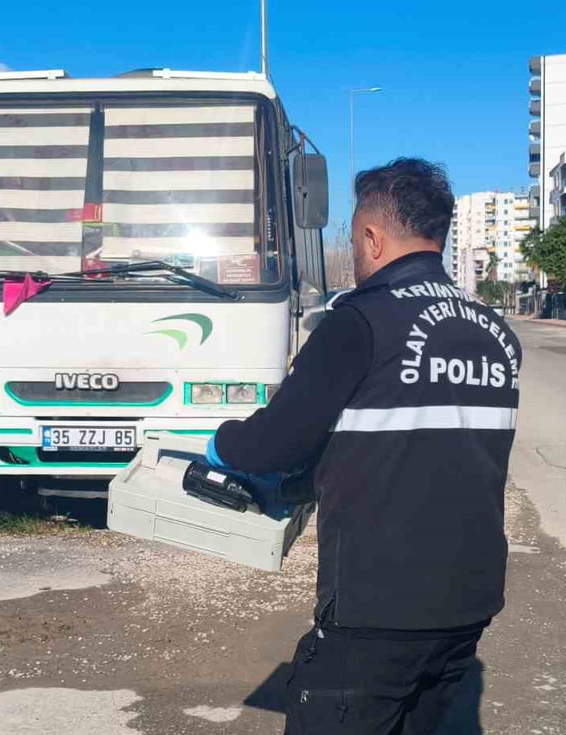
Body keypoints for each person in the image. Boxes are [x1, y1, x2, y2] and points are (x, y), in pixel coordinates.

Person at [208, 159, 523, 734]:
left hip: (379, 606)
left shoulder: (360, 321)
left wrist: (218, 444)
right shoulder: (495, 332)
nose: (354, 256)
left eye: (355, 242)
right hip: (468, 602)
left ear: (374, 238)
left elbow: (272, 444)